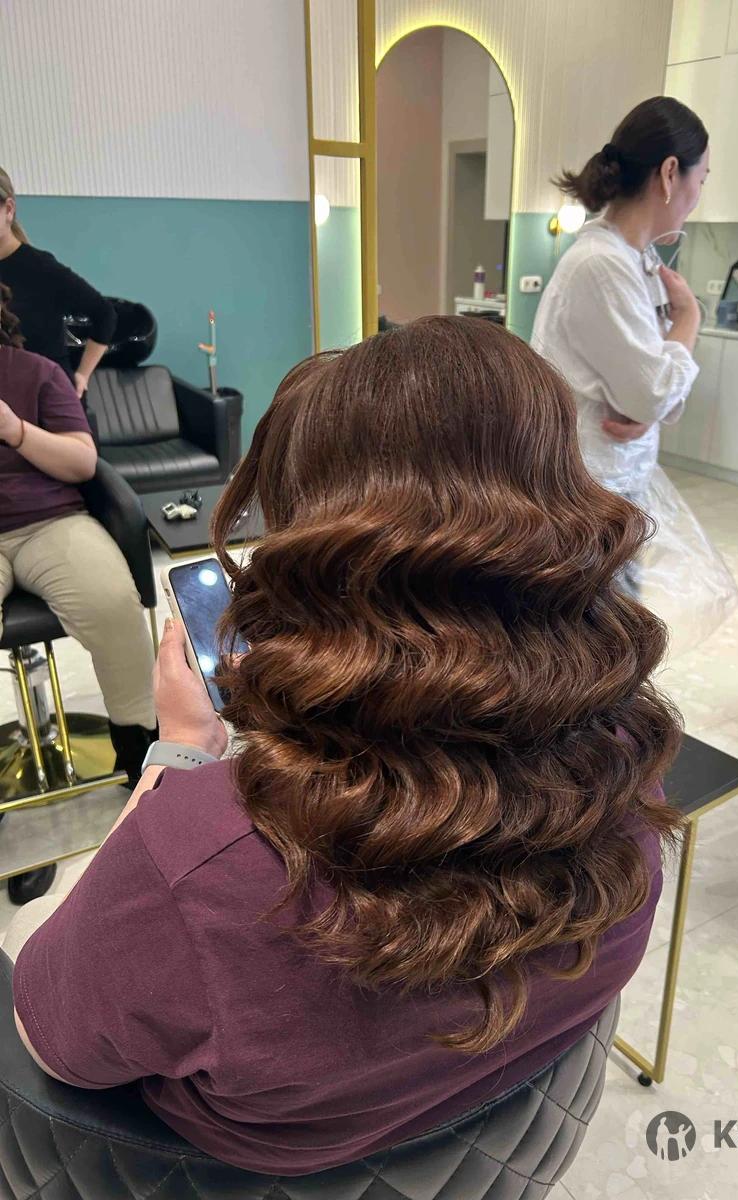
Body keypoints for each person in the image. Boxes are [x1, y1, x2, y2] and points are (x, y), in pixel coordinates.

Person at [7, 317, 681, 1176]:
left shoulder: (207, 856)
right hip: (511, 1124)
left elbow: (54, 1046)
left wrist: (181, 750)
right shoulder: (627, 747)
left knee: (28, 924)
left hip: (243, 1168)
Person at [532, 97, 738, 655]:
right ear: (671, 173)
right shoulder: (603, 264)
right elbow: (653, 392)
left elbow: (649, 395)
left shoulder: (632, 261)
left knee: (608, 639)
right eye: (701, 178)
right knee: (599, 646)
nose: (699, 194)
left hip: (611, 483)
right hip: (592, 489)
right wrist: (689, 320)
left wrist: (646, 405)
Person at [0, 286, 156, 782]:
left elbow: (82, 462)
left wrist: (15, 430)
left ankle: (141, 751)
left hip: (50, 523)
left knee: (114, 605)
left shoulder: (38, 373)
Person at [0, 168, 115, 397]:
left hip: (48, 400)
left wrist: (82, 375)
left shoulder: (41, 267)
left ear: (9, 209)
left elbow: (105, 314)